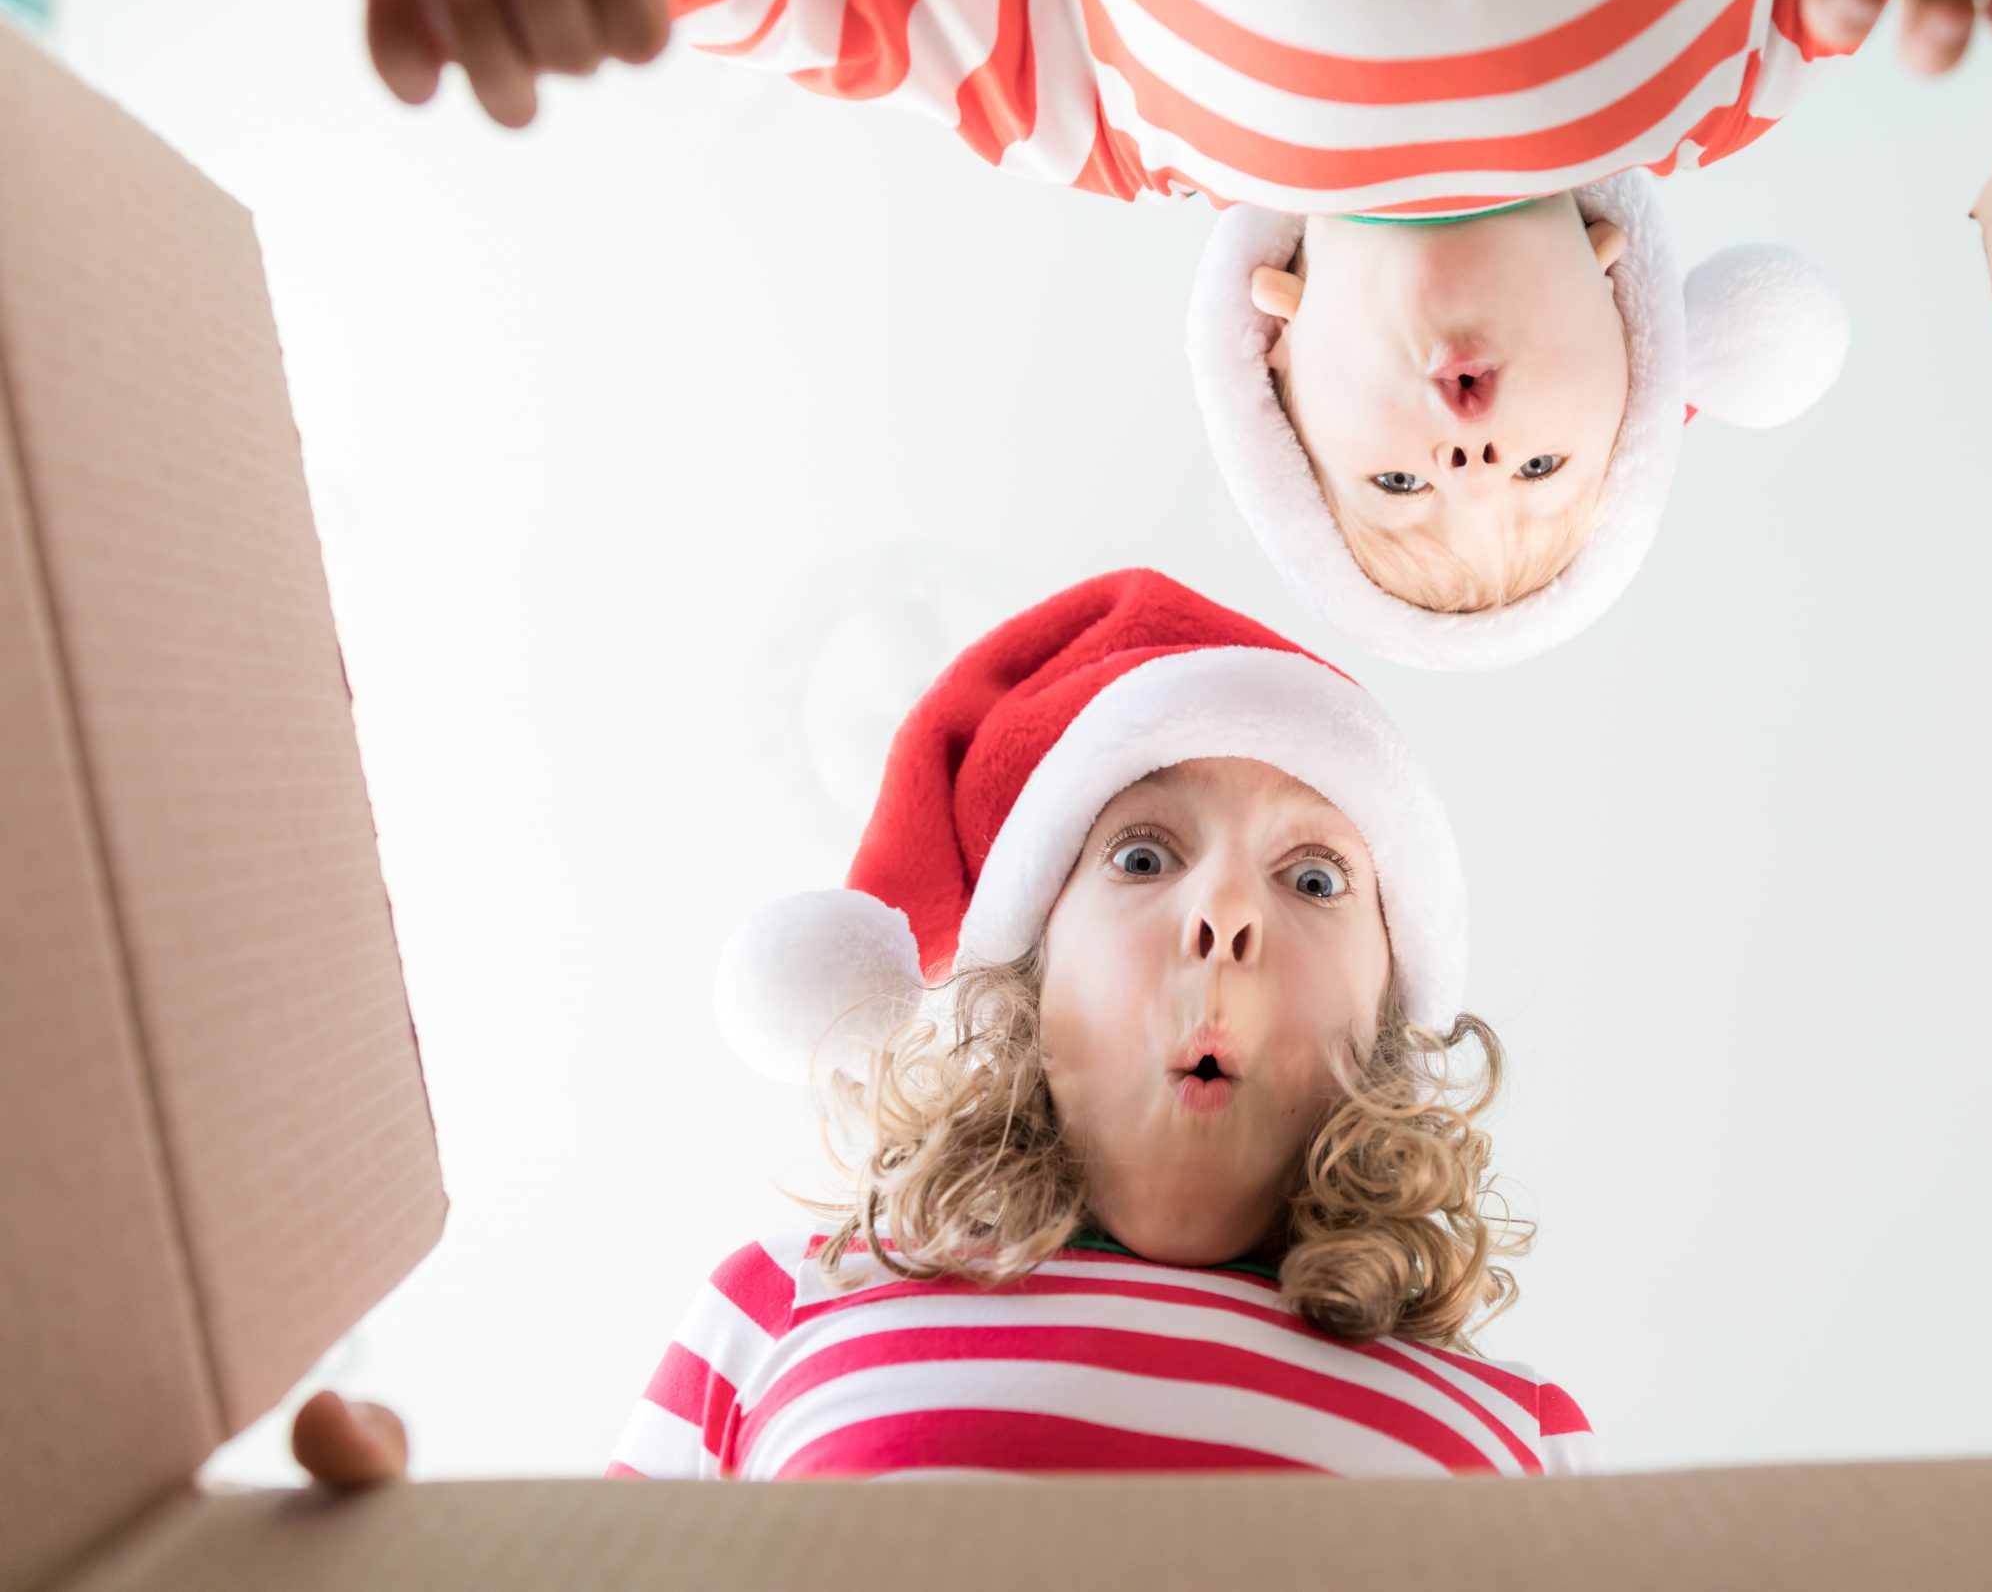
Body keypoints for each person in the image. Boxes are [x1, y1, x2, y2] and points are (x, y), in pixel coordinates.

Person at [353, 0, 1992, 668]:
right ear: (1631, 313)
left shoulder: (1129, 123)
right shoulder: (1716, 89)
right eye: (1545, 467)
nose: (1471, 456)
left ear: (1279, 342)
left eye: (1391, 480)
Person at [294, 568, 1588, 1484]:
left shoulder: (1530, 1439)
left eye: (1315, 880)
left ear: (1384, 1026)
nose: (1225, 915)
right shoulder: (780, 1309)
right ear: (1027, 998)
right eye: (1142, 857)